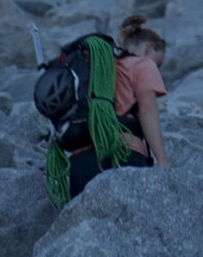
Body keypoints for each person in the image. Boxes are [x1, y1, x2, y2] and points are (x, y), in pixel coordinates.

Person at [67, 14, 167, 200]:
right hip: (124, 155)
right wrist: (162, 160)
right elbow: (147, 110)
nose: (156, 69)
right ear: (149, 47)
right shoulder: (143, 64)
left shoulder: (93, 67)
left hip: (79, 160)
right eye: (158, 62)